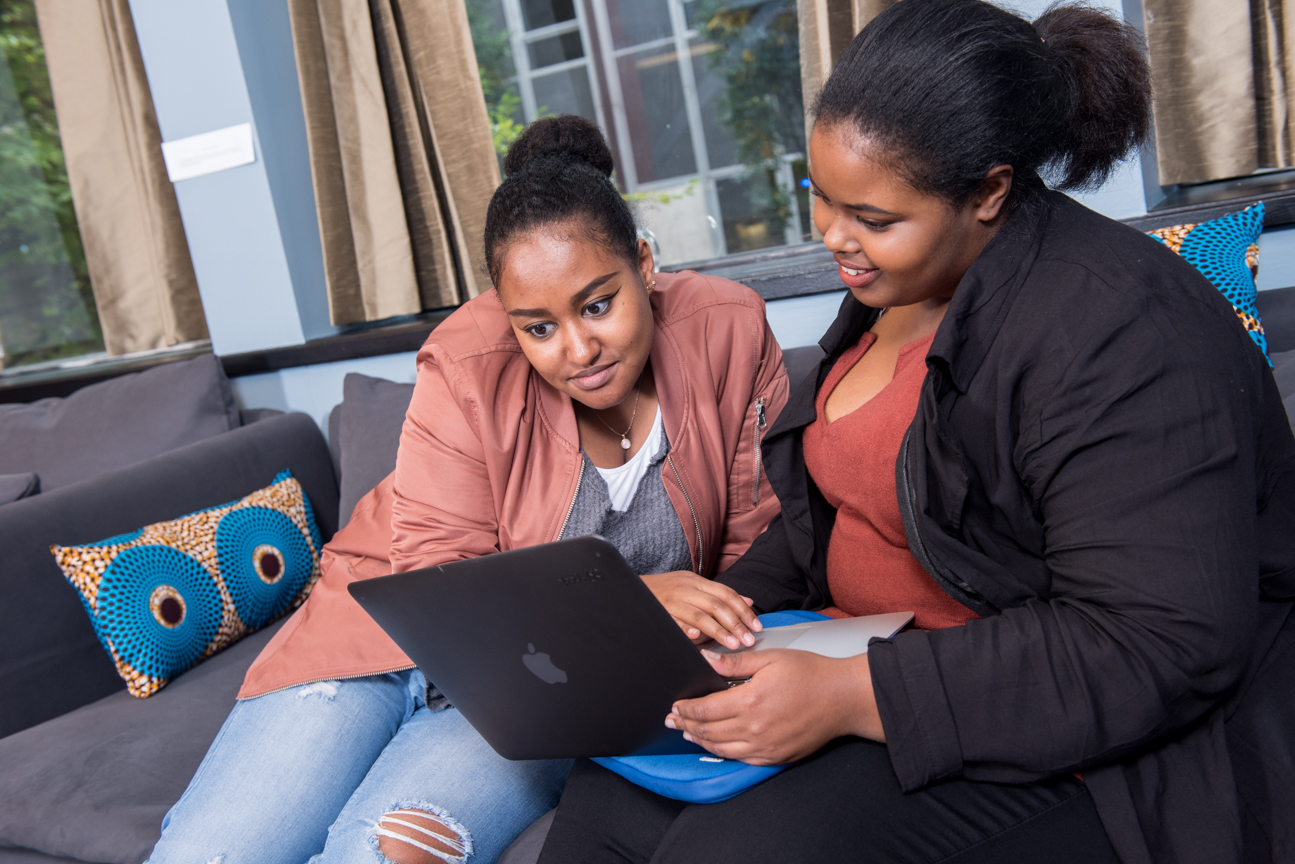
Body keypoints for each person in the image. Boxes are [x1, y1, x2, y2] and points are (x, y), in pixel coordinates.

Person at [536, 2, 1295, 863]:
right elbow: (833, 511)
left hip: (1071, 738)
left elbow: (1151, 644)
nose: (834, 237)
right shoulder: (890, 290)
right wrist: (725, 615)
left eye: (873, 218)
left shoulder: (1120, 327)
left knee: (741, 847)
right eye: (820, 197)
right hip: (873, 667)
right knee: (612, 794)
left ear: (989, 193)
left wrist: (850, 697)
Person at [146, 115, 789, 864]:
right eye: (537, 328)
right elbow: (437, 583)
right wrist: (638, 598)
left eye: (596, 304)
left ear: (644, 264)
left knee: (380, 855)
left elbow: (758, 539)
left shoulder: (728, 331)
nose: (577, 351)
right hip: (376, 643)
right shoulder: (463, 361)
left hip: (536, 685)